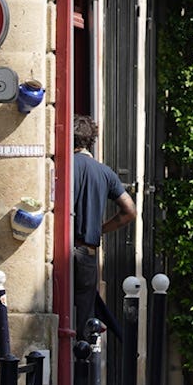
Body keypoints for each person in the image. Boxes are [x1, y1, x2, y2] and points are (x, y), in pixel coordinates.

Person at [71, 115, 136, 343]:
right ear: (91, 141)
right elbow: (130, 211)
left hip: (60, 252)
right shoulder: (105, 172)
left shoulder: (65, 166)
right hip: (87, 254)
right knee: (84, 322)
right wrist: (100, 229)